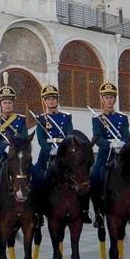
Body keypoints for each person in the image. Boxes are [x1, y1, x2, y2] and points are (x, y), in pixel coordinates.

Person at [32, 84, 78, 217]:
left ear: (57, 100)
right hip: (47, 153)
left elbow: (70, 135)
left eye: (53, 98)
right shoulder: (41, 119)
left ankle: (83, 209)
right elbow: (41, 139)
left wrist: (63, 148)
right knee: (36, 176)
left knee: (81, 176)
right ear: (44, 101)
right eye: (48, 99)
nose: (51, 101)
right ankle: (37, 209)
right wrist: (49, 150)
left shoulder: (66, 117)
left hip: (64, 152)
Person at [90, 79, 130, 228]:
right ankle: (98, 212)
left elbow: (126, 135)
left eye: (111, 97)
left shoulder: (122, 118)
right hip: (104, 154)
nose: (109, 100)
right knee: (94, 177)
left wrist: (122, 143)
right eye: (106, 97)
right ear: (102, 99)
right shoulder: (97, 118)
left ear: (115, 99)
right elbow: (97, 137)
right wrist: (109, 144)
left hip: (120, 153)